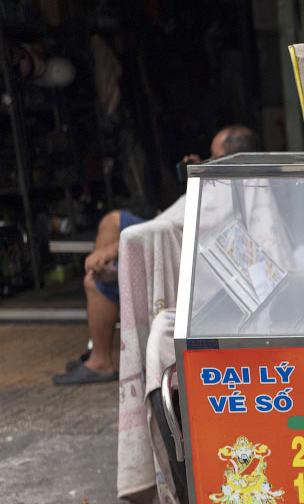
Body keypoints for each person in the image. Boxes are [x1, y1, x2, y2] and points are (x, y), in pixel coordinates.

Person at [54, 124, 259, 384]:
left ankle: (100, 358)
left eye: (213, 155)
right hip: (163, 225)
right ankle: (110, 276)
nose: (207, 159)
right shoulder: (214, 181)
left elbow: (172, 225)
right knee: (112, 221)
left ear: (228, 158)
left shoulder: (229, 190)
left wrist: (113, 249)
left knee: (93, 282)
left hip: (174, 245)